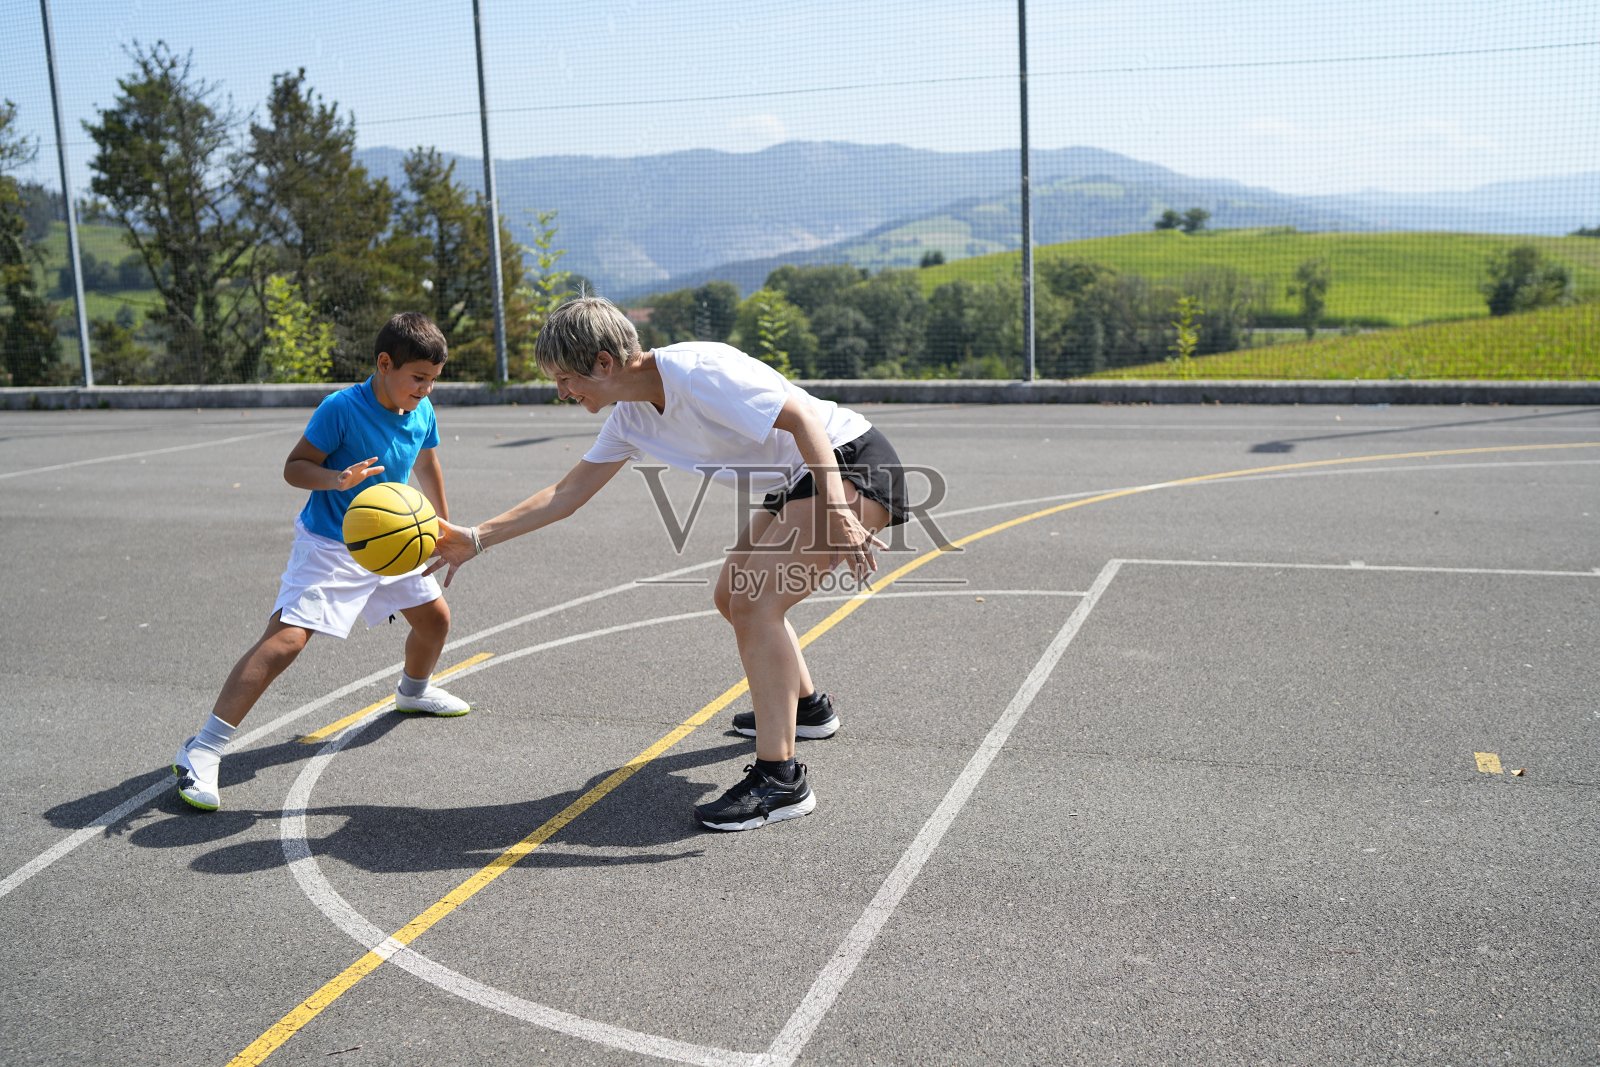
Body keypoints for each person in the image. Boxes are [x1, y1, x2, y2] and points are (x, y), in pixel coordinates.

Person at [427, 295, 908, 832]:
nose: (562, 392)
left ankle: (781, 778)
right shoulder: (630, 418)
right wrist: (476, 538)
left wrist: (840, 510)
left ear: (604, 363)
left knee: (756, 604)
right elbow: (567, 493)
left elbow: (799, 418)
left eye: (565, 378)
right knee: (732, 597)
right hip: (795, 479)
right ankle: (808, 708)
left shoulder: (699, 371)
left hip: (846, 460)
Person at [172, 312, 471, 812]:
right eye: (418, 378)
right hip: (331, 545)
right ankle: (202, 748)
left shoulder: (421, 410)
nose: (425, 390)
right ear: (384, 363)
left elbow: (427, 462)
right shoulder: (341, 409)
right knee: (285, 641)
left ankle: (412, 692)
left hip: (393, 538)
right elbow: (294, 468)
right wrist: (336, 479)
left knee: (435, 620)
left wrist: (441, 526)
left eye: (433, 381)